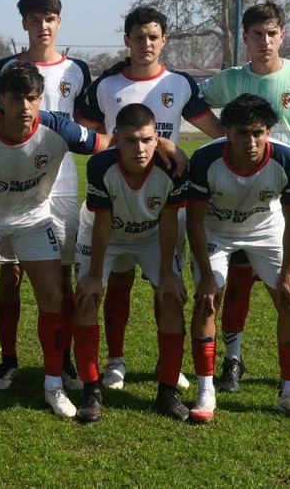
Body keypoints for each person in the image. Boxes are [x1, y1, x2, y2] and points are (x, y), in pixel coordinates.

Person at [0, 60, 114, 422]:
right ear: (0, 99)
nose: (26, 107)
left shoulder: (58, 128)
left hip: (32, 221)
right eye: (17, 99)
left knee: (51, 296)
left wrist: (155, 143)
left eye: (33, 98)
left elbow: (105, 143)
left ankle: (53, 385)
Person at [199, 1, 290, 396]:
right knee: (239, 281)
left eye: (272, 33)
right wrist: (218, 138)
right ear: (245, 37)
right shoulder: (228, 80)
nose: (265, 41)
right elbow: (190, 101)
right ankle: (233, 360)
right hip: (243, 197)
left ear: (283, 35)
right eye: (257, 34)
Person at [83, 6, 224, 391]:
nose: (146, 43)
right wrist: (159, 141)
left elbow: (216, 130)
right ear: (126, 40)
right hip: (117, 197)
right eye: (138, 36)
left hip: (166, 201)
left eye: (153, 36)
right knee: (120, 282)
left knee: (167, 284)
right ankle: (115, 361)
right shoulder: (106, 86)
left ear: (164, 40)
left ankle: (168, 362)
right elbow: (82, 134)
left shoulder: (179, 84)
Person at [0, 0, 94, 392]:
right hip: (12, 187)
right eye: (34, 19)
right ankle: (8, 361)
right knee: (9, 277)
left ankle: (63, 363)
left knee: (61, 278)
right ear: (24, 23)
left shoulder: (77, 70)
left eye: (50, 19)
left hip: (60, 187)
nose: (42, 27)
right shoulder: (6, 67)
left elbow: (86, 128)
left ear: (59, 22)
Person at [187, 93, 290, 424]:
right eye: (242, 132)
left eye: (258, 132)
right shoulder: (204, 160)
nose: (251, 141)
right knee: (207, 300)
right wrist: (206, 275)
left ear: (269, 131)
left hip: (266, 230)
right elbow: (193, 221)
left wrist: (289, 272)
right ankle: (206, 391)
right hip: (216, 231)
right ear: (227, 132)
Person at [74, 103, 189, 423]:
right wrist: (95, 275)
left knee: (170, 298)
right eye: (130, 141)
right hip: (104, 234)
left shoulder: (172, 167)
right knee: (86, 298)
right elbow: (103, 224)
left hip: (151, 234)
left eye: (147, 140)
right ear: (116, 139)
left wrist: (167, 273)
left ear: (157, 139)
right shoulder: (100, 167)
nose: (140, 148)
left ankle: (167, 390)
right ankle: (91, 389)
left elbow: (169, 222)